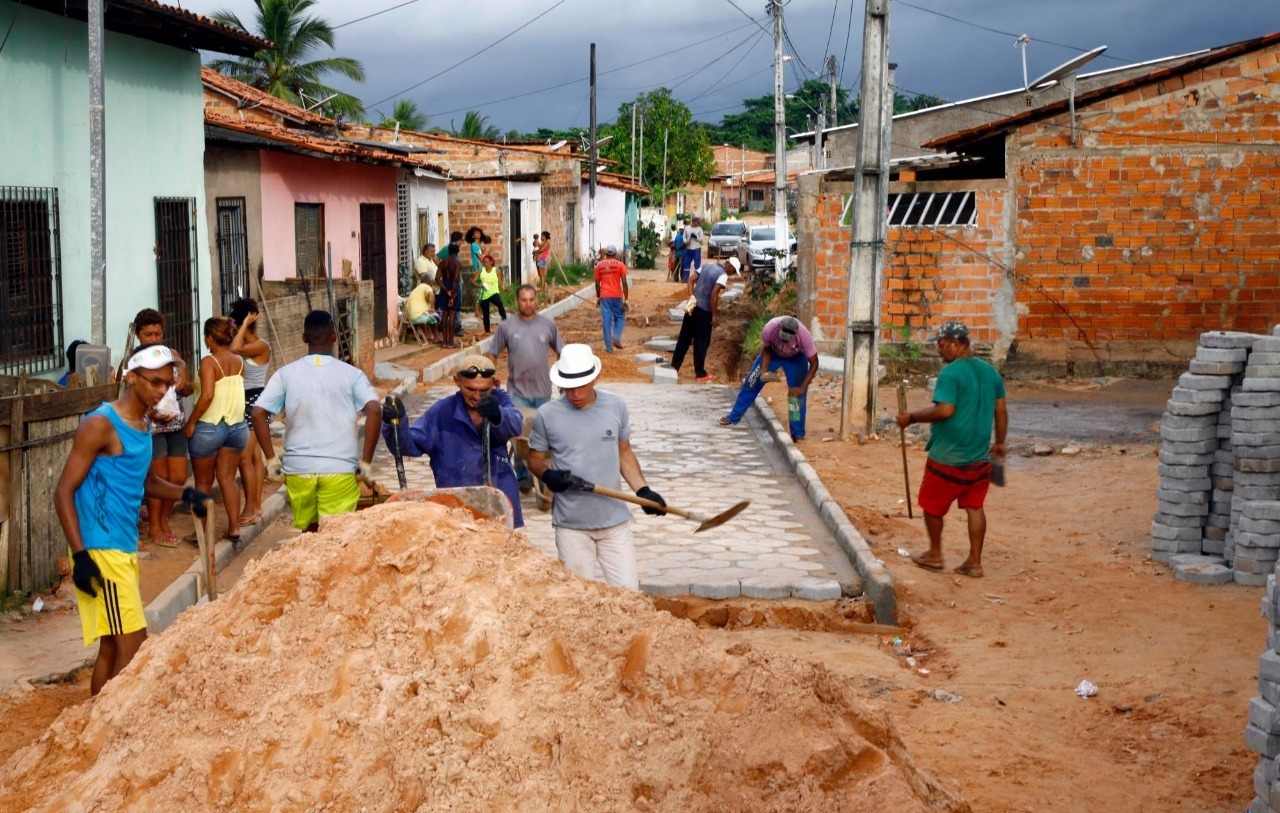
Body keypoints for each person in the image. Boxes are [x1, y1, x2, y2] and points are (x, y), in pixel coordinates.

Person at [54, 343, 209, 695]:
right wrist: (80, 558)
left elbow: (145, 480)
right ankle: (115, 724)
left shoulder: (141, 424)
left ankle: (99, 726)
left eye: (167, 384)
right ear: (132, 377)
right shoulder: (99, 425)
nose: (162, 390)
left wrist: (185, 494)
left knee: (112, 646)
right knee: (134, 644)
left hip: (122, 546)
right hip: (100, 548)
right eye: (154, 382)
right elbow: (63, 491)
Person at [527, 344, 666, 589]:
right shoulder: (547, 415)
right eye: (569, 387)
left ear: (595, 378)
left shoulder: (616, 407)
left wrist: (643, 490)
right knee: (580, 603)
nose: (575, 394)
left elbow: (624, 451)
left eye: (581, 386)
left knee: (629, 596)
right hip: (571, 526)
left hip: (614, 523)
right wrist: (548, 474)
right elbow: (534, 460)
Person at [251, 310, 381, 532]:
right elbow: (375, 410)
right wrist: (366, 462)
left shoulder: (285, 374)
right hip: (340, 470)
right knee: (335, 536)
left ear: (304, 338)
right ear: (334, 337)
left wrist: (271, 460)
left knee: (309, 534)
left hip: (299, 470)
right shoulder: (352, 374)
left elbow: (257, 413)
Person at [895, 320, 1007, 579]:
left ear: (957, 344)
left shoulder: (951, 373)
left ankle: (935, 553)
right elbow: (1000, 411)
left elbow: (945, 410)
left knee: (932, 506)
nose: (939, 351)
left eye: (942, 345)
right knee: (975, 507)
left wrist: (911, 417)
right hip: (979, 457)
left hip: (949, 457)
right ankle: (974, 562)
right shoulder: (990, 372)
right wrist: (999, 443)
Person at [381, 355, 525, 527]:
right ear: (457, 381)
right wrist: (395, 424)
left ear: (494, 383)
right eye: (470, 389)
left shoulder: (500, 401)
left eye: (484, 391)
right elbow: (408, 445)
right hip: (456, 505)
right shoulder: (442, 412)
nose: (477, 396)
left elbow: (515, 424)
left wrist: (497, 414)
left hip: (497, 502)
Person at [489, 284, 565, 489]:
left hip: (542, 392)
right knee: (519, 435)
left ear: (536, 301)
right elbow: (492, 353)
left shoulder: (548, 326)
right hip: (517, 393)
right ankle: (522, 476)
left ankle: (541, 472)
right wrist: (489, 376)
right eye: (524, 300)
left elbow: (562, 351)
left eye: (532, 299)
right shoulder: (507, 327)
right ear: (516, 302)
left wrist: (564, 379)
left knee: (542, 435)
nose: (528, 304)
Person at [129, 309, 194, 549]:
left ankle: (163, 520)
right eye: (148, 334)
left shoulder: (172, 356)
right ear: (138, 335)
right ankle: (155, 526)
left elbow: (188, 388)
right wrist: (147, 410)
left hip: (175, 424)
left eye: (157, 333)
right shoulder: (134, 361)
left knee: (177, 477)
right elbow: (127, 393)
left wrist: (184, 384)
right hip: (151, 427)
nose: (153, 338)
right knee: (158, 479)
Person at [184, 317, 248, 545]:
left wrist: (191, 421)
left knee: (202, 483)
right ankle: (234, 527)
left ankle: (200, 533)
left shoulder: (209, 362)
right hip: (237, 427)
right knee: (228, 479)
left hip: (210, 427)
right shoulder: (238, 360)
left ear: (210, 338)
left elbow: (208, 395)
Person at [720, 315, 819, 441]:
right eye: (783, 337)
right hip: (773, 355)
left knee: (796, 394)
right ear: (779, 328)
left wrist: (802, 388)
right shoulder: (770, 329)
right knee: (752, 382)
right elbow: (766, 349)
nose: (784, 341)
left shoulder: (804, 336)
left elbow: (814, 363)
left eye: (788, 339)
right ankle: (733, 416)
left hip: (796, 359)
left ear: (795, 334)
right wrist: (764, 370)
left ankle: (797, 433)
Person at [230, 298, 271, 527]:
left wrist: (244, 323)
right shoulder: (242, 342)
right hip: (245, 402)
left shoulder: (261, 345)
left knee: (245, 457)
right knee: (254, 458)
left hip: (255, 403)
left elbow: (236, 349)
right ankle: (255, 506)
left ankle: (250, 507)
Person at [671, 256, 738, 384]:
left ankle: (674, 366)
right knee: (702, 342)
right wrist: (714, 315)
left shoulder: (706, 265)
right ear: (729, 266)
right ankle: (700, 373)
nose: (732, 273)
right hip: (704, 311)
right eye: (733, 271)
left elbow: (690, 280)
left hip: (692, 307)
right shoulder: (723, 275)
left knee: (684, 338)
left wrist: (691, 297)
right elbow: (714, 294)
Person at [594, 244, 629, 352]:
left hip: (605, 296)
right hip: (617, 296)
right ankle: (616, 337)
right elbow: (624, 282)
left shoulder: (599, 266)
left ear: (606, 254)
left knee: (606, 321)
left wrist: (599, 297)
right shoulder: (620, 265)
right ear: (615, 254)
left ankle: (609, 348)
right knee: (620, 317)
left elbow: (596, 283)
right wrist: (626, 299)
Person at [436, 239, 463, 348]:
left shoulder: (443, 262)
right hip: (454, 288)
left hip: (444, 288)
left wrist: (446, 291)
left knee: (444, 314)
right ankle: (451, 342)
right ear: (457, 251)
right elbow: (456, 280)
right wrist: (452, 295)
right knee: (452, 313)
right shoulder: (457, 263)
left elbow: (437, 278)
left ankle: (444, 341)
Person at [405, 267, 440, 343]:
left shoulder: (418, 288)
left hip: (410, 316)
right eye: (431, 281)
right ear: (429, 281)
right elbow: (431, 295)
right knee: (435, 316)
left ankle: (428, 335)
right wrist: (432, 307)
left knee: (428, 314)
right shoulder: (426, 287)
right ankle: (436, 338)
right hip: (417, 316)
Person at [474, 253, 507, 334]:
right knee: (486, 314)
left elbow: (500, 282)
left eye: (487, 262)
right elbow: (473, 281)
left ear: (491, 262)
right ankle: (487, 331)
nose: (486, 264)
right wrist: (479, 285)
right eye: (484, 263)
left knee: (499, 303)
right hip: (484, 295)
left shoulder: (496, 271)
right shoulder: (481, 271)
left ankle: (505, 320)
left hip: (493, 293)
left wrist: (503, 288)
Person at [681, 215, 705, 282]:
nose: (698, 223)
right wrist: (686, 241)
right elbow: (684, 237)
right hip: (688, 248)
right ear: (693, 221)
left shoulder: (699, 229)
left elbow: (701, 239)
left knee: (697, 264)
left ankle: (696, 279)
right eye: (697, 222)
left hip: (696, 248)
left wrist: (696, 237)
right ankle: (685, 278)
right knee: (686, 263)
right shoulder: (687, 228)